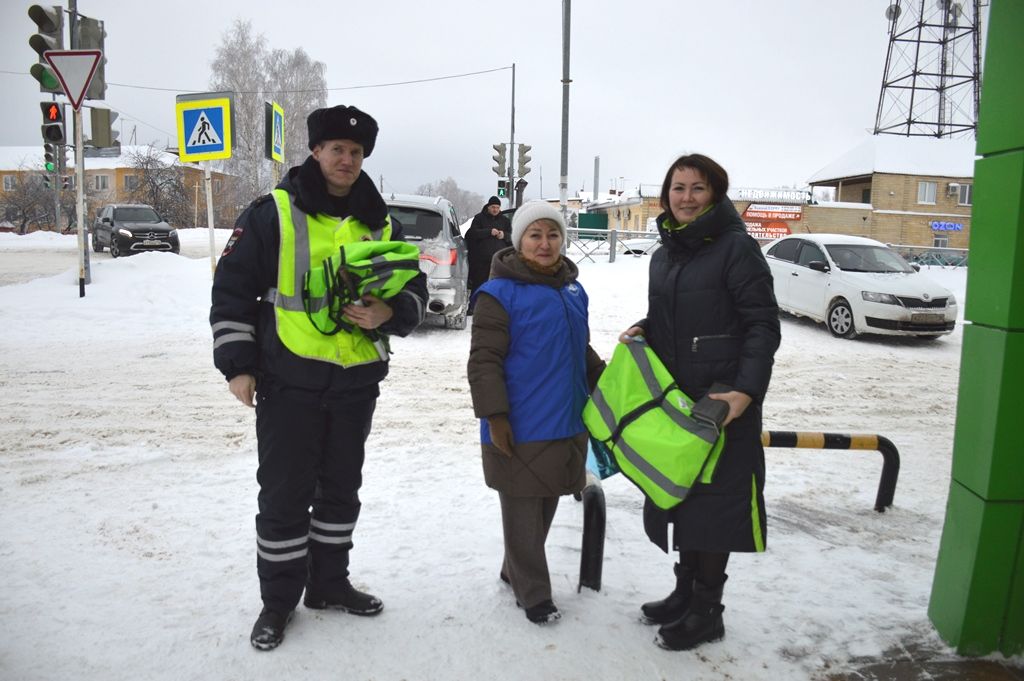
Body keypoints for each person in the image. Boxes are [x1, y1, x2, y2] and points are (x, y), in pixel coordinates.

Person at [210, 104, 428, 651]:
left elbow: (415, 289)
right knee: (285, 495)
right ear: (315, 151)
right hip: (289, 379)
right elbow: (232, 288)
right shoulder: (273, 213)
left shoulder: (381, 220)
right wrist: (238, 366)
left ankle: (329, 585)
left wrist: (390, 313)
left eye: (356, 153)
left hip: (355, 383)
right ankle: (278, 603)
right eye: (337, 150)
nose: (347, 160)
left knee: (340, 492)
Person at [618, 154, 780, 651]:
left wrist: (743, 393)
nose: (686, 197)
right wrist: (644, 327)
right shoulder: (665, 254)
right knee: (683, 499)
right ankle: (685, 591)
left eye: (698, 188)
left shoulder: (737, 249)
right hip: (679, 404)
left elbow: (762, 325)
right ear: (666, 195)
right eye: (678, 187)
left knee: (713, 507)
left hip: (721, 404)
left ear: (716, 193)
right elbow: (669, 315)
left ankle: (708, 611)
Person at [467, 201, 605, 625]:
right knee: (522, 507)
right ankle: (534, 593)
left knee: (546, 501)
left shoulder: (572, 290)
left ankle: (514, 569)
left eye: (553, 235)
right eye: (535, 235)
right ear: (518, 241)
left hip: (564, 417)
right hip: (520, 420)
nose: (545, 244)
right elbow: (484, 361)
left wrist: (607, 381)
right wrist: (496, 416)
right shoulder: (498, 293)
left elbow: (578, 349)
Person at [465, 196, 512, 304]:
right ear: (488, 207)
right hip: (481, 259)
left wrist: (504, 235)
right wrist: (488, 232)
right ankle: (474, 306)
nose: (495, 210)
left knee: (498, 284)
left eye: (497, 207)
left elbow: (512, 237)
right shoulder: (479, 218)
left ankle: (497, 307)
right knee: (479, 283)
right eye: (493, 207)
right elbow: (472, 234)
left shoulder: (505, 221)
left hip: (499, 260)